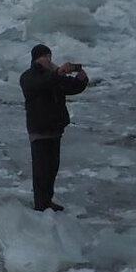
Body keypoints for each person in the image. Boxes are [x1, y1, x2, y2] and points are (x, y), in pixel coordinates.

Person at [19, 43, 89, 212]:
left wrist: (81, 79)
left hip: (54, 129)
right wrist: (58, 72)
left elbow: (70, 87)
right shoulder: (29, 76)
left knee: (52, 168)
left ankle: (46, 201)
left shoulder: (53, 76)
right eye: (46, 57)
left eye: (50, 56)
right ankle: (40, 205)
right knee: (41, 170)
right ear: (37, 59)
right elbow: (41, 84)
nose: (49, 60)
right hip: (39, 129)